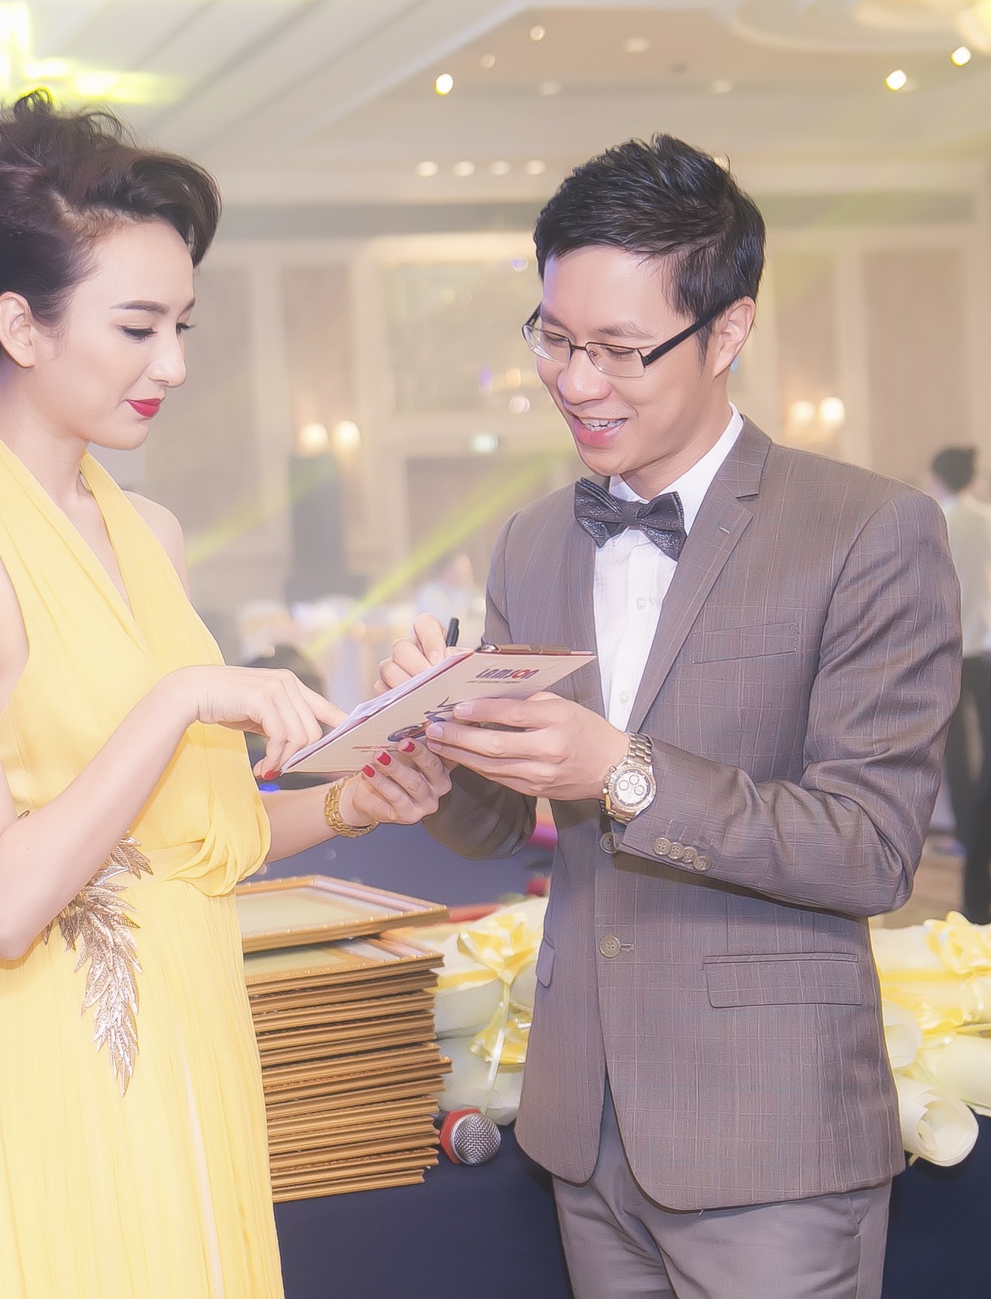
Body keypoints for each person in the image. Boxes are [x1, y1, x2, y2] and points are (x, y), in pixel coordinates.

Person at [0, 94, 449, 1299]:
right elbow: (1, 901)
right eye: (137, 327)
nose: (173, 364)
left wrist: (350, 801)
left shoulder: (152, 533)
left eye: (180, 325)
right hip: (50, 1057)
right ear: (20, 325)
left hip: (197, 1028)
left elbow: (184, 840)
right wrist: (180, 694)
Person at [380, 135, 959, 1299]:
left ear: (726, 330)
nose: (573, 381)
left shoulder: (863, 530)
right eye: (552, 338)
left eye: (616, 349)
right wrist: (431, 751)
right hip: (580, 1124)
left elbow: (869, 847)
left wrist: (623, 770)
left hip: (767, 1133)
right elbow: (499, 827)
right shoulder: (532, 541)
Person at [928, 445, 991, 860]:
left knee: (956, 747)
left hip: (953, 641)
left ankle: (967, 831)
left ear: (937, 478)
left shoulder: (937, 518)